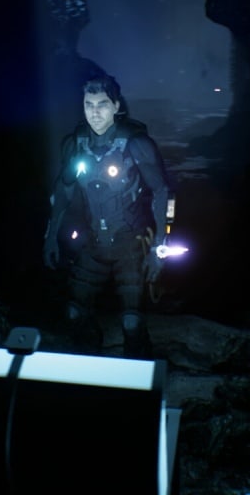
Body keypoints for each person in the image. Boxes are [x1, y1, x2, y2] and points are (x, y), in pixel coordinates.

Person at [42, 74, 174, 358]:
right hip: (95, 243)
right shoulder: (76, 145)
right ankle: (90, 362)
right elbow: (62, 192)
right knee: (74, 314)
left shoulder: (136, 145)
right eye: (88, 105)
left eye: (102, 104)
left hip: (131, 245)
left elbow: (164, 192)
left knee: (131, 322)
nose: (95, 113)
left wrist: (159, 248)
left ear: (116, 106)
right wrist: (50, 237)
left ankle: (139, 369)